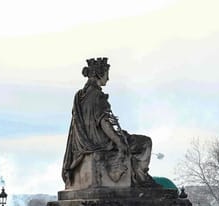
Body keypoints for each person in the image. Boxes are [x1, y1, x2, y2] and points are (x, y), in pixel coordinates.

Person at [62, 57, 152, 187]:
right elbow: (105, 123)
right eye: (106, 75)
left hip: (83, 143)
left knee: (129, 138)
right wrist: (119, 142)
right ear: (100, 74)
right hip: (101, 142)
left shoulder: (80, 96)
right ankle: (141, 178)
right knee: (145, 142)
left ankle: (136, 176)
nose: (108, 79)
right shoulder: (98, 96)